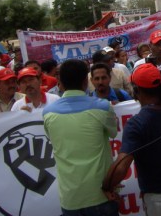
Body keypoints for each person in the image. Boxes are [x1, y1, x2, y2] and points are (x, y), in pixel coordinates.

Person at [102, 63, 161, 216]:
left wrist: (107, 187)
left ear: (136, 90)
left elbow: (121, 167)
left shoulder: (137, 123)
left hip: (160, 194)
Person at [43, 59, 118, 216]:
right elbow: (113, 132)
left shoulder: (48, 113)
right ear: (86, 81)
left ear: (60, 82)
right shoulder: (103, 107)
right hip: (101, 195)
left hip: (70, 198)